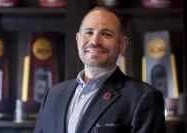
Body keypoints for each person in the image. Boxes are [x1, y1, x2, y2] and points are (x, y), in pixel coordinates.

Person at [33, 6, 166, 133]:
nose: (95, 40)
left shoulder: (144, 98)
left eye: (106, 34)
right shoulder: (53, 95)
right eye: (89, 32)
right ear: (78, 40)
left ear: (122, 45)